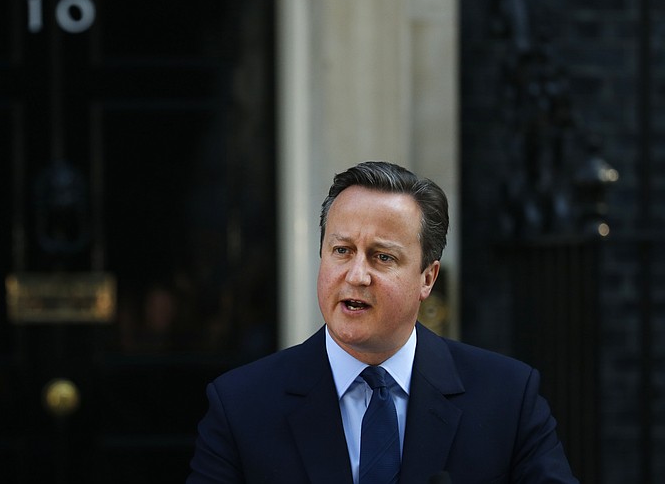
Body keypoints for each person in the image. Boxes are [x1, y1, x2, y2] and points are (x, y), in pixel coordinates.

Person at [186, 161, 578, 483]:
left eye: (382, 257)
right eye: (342, 250)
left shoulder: (507, 398)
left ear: (427, 278)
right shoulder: (241, 405)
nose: (356, 275)